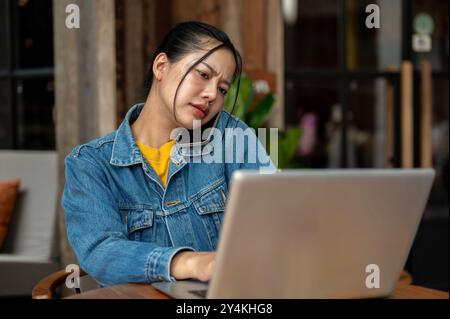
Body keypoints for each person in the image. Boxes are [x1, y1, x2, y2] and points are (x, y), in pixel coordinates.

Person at [62, 21, 274, 287]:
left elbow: (275, 217)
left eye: (222, 89)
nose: (211, 95)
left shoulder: (230, 136)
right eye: (203, 74)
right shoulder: (91, 164)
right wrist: (189, 263)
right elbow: (101, 252)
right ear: (161, 66)